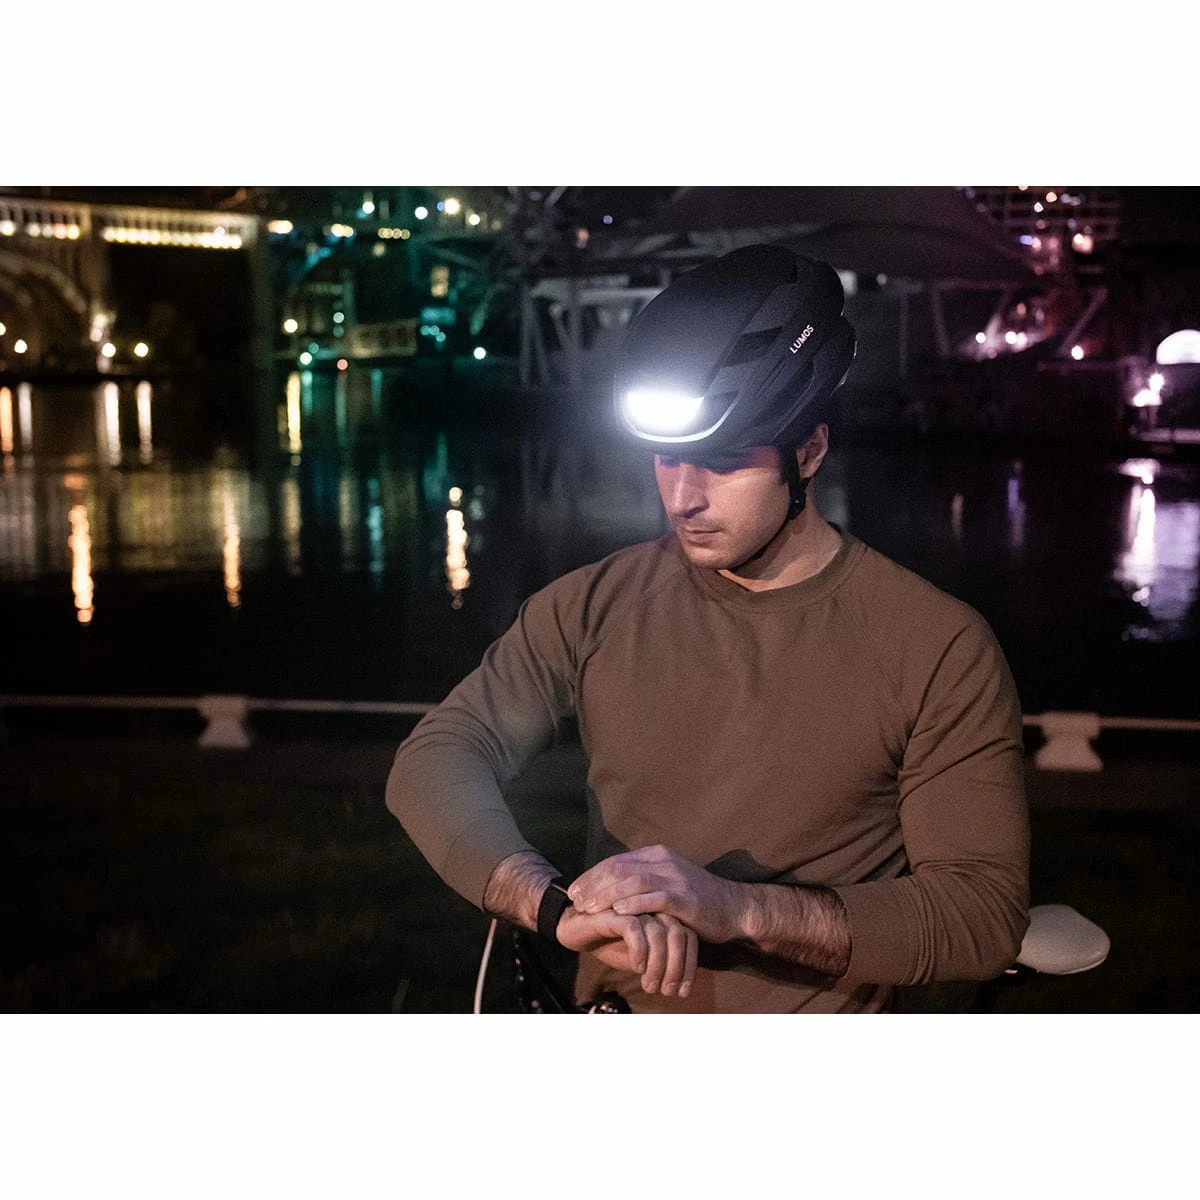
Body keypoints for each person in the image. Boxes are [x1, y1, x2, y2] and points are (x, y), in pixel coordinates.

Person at [386, 244, 1030, 1013]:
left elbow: (980, 913)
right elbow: (439, 755)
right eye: (667, 458)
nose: (683, 497)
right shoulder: (594, 606)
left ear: (809, 452)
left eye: (723, 462)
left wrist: (738, 909)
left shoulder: (933, 645)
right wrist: (550, 905)